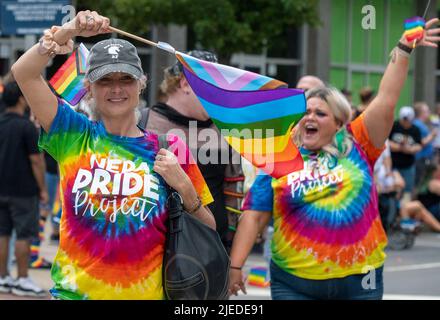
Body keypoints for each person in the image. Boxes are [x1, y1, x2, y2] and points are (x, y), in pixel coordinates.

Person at [228, 19, 440, 300]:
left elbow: (386, 99)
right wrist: (235, 266)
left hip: (360, 281)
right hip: (293, 283)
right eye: (305, 112)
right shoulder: (280, 157)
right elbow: (254, 216)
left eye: (320, 113)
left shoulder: (359, 142)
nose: (310, 118)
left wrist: (402, 50)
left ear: (339, 122)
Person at [11, 10, 215, 300]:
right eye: (105, 80)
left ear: (141, 84)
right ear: (89, 88)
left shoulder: (169, 149)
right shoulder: (72, 134)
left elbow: (209, 228)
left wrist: (183, 186)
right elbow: (23, 73)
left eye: (126, 79)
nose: (116, 89)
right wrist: (70, 29)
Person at [141, 50, 244, 253]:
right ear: (186, 84)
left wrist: (230, 255)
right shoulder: (143, 122)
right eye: (211, 86)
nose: (219, 95)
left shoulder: (224, 129)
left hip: (211, 249)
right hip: (154, 250)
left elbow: (233, 194)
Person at [0, 81, 48, 297]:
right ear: (21, 99)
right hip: (23, 190)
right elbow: (36, 161)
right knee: (24, 235)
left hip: (2, 188)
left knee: (2, 234)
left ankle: (3, 278)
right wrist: (43, 189)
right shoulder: (27, 127)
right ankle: (22, 278)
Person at [389, 106, 422, 198]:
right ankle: (395, 209)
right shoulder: (394, 126)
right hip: (394, 164)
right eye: (404, 119)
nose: (405, 122)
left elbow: (419, 145)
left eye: (408, 119)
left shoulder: (415, 129)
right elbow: (386, 142)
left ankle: (404, 208)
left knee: (407, 189)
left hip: (408, 165)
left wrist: (410, 149)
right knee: (394, 189)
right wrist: (399, 147)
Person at [413, 102, 436, 185]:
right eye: (427, 111)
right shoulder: (417, 124)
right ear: (421, 113)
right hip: (420, 159)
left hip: (425, 158)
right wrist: (432, 135)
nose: (429, 112)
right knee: (418, 183)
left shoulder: (422, 124)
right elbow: (421, 142)